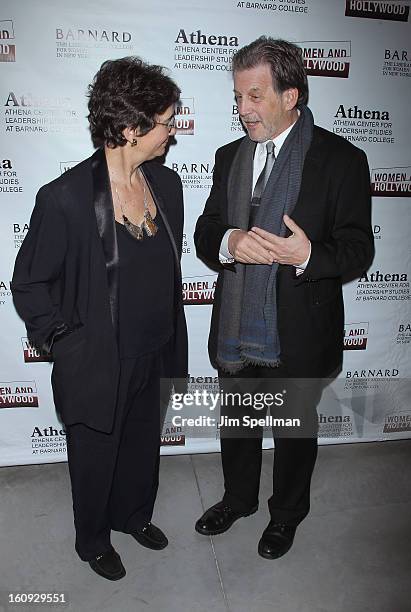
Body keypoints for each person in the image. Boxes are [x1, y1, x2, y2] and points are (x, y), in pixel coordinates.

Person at [194, 37, 374, 559]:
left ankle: (286, 515)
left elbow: (358, 249)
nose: (243, 109)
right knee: (238, 423)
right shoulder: (229, 156)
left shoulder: (341, 159)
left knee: (294, 433)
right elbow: (208, 230)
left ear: (291, 95)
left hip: (298, 331)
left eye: (255, 96)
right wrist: (229, 241)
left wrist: (307, 254)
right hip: (234, 326)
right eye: (238, 97)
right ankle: (237, 499)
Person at [11, 57, 187, 580]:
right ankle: (92, 540)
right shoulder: (64, 199)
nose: (172, 133)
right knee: (95, 456)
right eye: (166, 121)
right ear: (131, 128)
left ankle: (132, 515)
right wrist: (62, 340)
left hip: (155, 348)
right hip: (98, 360)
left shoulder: (167, 185)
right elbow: (29, 283)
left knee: (140, 445)